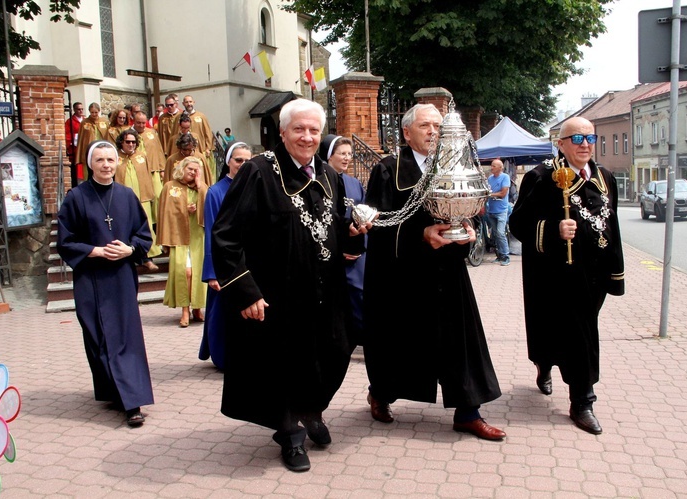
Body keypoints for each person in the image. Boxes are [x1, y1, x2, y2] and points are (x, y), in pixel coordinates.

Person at [211, 99, 368, 472]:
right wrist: (245, 290)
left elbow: (334, 232)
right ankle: (290, 433)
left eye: (314, 130)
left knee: (334, 351)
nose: (308, 136)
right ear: (282, 132)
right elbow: (226, 235)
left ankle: (311, 409)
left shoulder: (329, 177)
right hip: (277, 296)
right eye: (299, 129)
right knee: (281, 366)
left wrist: (353, 233)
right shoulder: (258, 172)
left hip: (324, 293)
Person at [362, 103, 505, 442]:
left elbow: (463, 207)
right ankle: (380, 395)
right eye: (425, 126)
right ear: (407, 132)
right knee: (397, 342)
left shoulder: (454, 164)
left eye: (438, 127)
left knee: (461, 339)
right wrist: (421, 234)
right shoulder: (388, 170)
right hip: (404, 275)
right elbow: (376, 222)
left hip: (448, 272)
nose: (432, 132)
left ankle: (469, 411)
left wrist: (467, 226)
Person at [508, 116, 625, 435]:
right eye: (577, 139)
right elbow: (517, 224)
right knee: (574, 333)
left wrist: (616, 273)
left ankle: (557, 370)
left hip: (595, 275)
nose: (585, 144)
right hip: (556, 275)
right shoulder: (542, 178)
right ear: (561, 144)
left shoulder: (605, 177)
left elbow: (612, 226)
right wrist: (553, 230)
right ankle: (581, 401)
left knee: (581, 331)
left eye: (591, 138)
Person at [56, 140, 154, 428]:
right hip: (90, 277)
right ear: (90, 163)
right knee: (97, 336)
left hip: (121, 277)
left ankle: (132, 402)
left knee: (124, 336)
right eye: (100, 160)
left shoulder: (126, 195)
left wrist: (130, 250)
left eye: (111, 160)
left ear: (117, 162)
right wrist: (94, 251)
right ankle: (115, 390)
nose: (106, 165)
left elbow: (143, 234)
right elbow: (65, 239)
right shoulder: (76, 197)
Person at [198, 141, 253, 370]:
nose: (242, 164)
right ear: (228, 162)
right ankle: (223, 357)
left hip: (249, 261)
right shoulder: (215, 192)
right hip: (224, 264)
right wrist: (212, 273)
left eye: (247, 161)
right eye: (238, 160)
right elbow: (211, 233)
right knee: (222, 313)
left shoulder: (255, 187)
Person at [319, 134, 366, 344]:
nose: (347, 158)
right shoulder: (319, 181)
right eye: (342, 153)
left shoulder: (354, 182)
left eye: (350, 154)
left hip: (357, 249)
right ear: (329, 156)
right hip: (333, 248)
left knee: (360, 292)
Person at [157, 156, 208, 327]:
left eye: (196, 170)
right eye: (190, 169)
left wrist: (200, 184)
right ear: (182, 168)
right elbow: (166, 213)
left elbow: (209, 207)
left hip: (197, 236)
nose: (193, 172)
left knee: (197, 273)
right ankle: (185, 309)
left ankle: (197, 308)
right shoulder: (170, 187)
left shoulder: (202, 188)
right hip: (178, 234)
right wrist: (184, 210)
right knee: (184, 272)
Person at [114, 129, 161, 271]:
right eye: (128, 142)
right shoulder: (116, 158)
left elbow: (147, 176)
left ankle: (146, 257)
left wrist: (150, 193)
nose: (131, 144)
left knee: (144, 228)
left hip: (142, 198)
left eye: (133, 142)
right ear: (121, 142)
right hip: (122, 201)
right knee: (126, 228)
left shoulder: (142, 156)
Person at [484, 158, 511, 266]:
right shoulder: (490, 178)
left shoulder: (505, 177)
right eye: (491, 165)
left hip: (501, 211)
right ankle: (499, 255)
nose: (491, 167)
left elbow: (503, 193)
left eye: (494, 166)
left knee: (500, 233)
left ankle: (505, 256)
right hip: (491, 210)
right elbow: (487, 190)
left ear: (500, 168)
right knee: (495, 234)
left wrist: (490, 195)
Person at [74, 103, 110, 181]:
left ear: (99, 111)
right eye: (92, 112)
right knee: (88, 172)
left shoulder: (104, 121)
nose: (94, 114)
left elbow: (108, 136)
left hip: (102, 149)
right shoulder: (84, 122)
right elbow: (81, 138)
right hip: (88, 150)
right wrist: (80, 154)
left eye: (96, 112)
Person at [65, 102, 85, 187]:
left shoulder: (85, 120)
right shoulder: (70, 121)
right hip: (76, 148)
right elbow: (67, 134)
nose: (80, 111)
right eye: (78, 109)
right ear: (74, 110)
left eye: (82, 109)